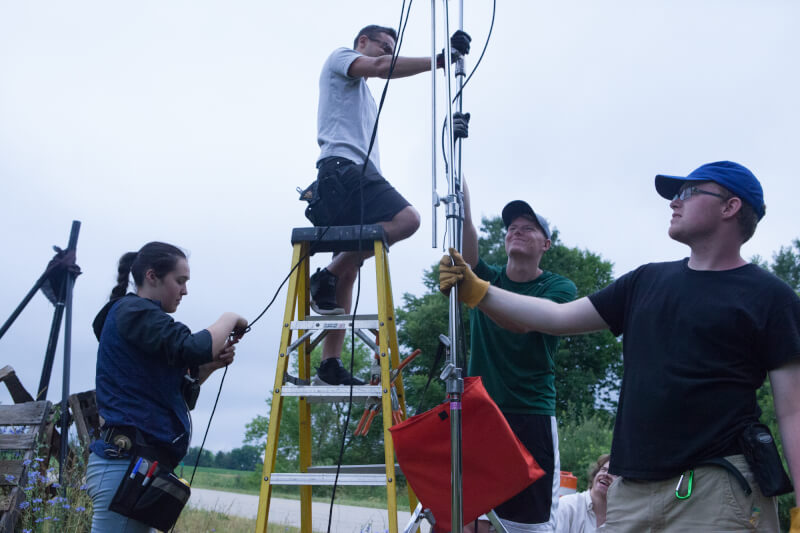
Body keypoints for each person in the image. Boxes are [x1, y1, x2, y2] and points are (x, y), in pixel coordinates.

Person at [440, 161, 800, 532]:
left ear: (731, 207)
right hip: (631, 491)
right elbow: (558, 318)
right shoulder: (646, 280)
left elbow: (793, 413)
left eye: (689, 193)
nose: (675, 202)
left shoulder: (771, 297)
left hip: (717, 488)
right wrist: (478, 290)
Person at [308, 24, 471, 385]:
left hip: (351, 173)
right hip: (342, 170)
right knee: (408, 219)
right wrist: (442, 60)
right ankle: (326, 276)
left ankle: (329, 363)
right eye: (383, 47)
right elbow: (384, 68)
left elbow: (383, 68)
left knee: (351, 267)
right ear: (362, 42)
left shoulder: (361, 95)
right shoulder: (340, 58)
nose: (386, 55)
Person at [86, 242, 248, 532]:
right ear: (152, 276)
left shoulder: (138, 321)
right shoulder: (133, 310)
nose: (185, 290)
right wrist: (230, 317)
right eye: (180, 281)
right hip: (125, 465)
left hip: (138, 468)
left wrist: (210, 366)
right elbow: (195, 346)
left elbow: (178, 390)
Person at [460, 181, 577, 532]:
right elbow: (468, 245)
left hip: (530, 414)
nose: (517, 231)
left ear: (546, 244)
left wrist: (477, 293)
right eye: (512, 227)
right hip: (480, 409)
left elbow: (524, 323)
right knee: (472, 515)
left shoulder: (559, 288)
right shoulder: (489, 278)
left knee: (528, 521)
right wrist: (461, 188)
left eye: (528, 228)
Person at [556, 454, 617, 533]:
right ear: (595, 474)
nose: (606, 474)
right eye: (604, 469)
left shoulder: (622, 520)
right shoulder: (567, 506)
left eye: (614, 473)